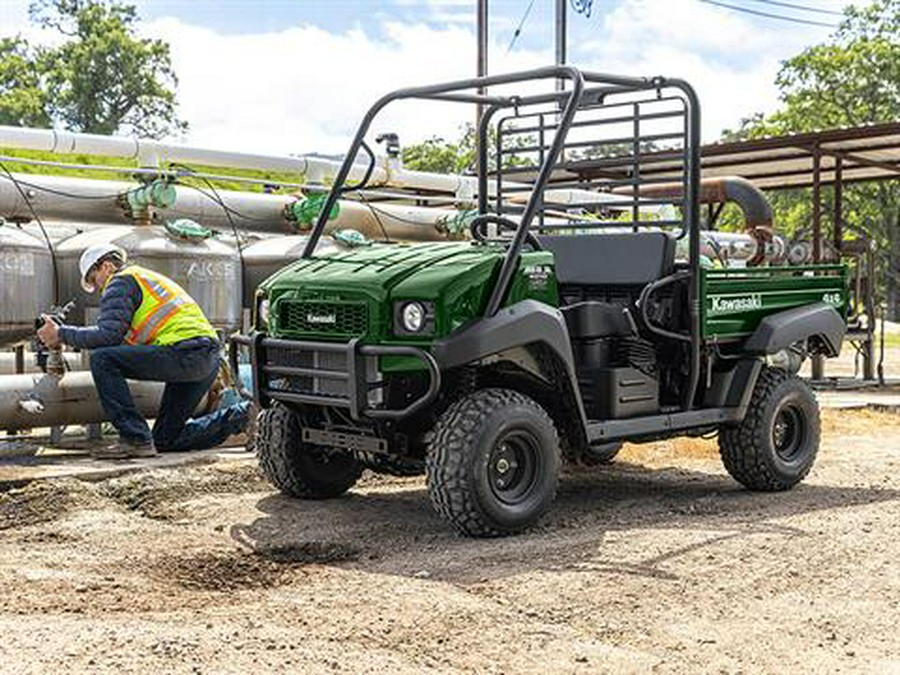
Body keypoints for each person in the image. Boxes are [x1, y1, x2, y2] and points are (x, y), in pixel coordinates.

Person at [36, 243, 250, 459]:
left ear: (106, 266)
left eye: (94, 279)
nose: (98, 287)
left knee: (102, 360)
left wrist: (61, 333)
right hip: (207, 357)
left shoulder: (120, 281)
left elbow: (107, 336)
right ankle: (244, 416)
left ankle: (134, 438)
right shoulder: (144, 279)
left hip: (186, 353)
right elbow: (125, 341)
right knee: (166, 440)